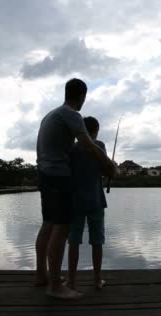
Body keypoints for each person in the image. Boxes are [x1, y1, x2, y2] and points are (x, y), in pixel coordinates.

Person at [35, 78, 116, 299]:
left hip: (44, 174)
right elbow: (88, 144)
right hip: (58, 176)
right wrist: (108, 165)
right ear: (82, 96)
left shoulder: (49, 115)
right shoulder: (72, 115)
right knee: (61, 230)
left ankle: (42, 275)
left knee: (48, 225)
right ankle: (55, 286)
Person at [66, 116, 107, 290]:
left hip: (75, 201)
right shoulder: (100, 146)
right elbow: (106, 169)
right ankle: (97, 279)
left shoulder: (72, 148)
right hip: (96, 200)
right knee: (97, 241)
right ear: (96, 130)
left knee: (74, 240)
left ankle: (72, 280)